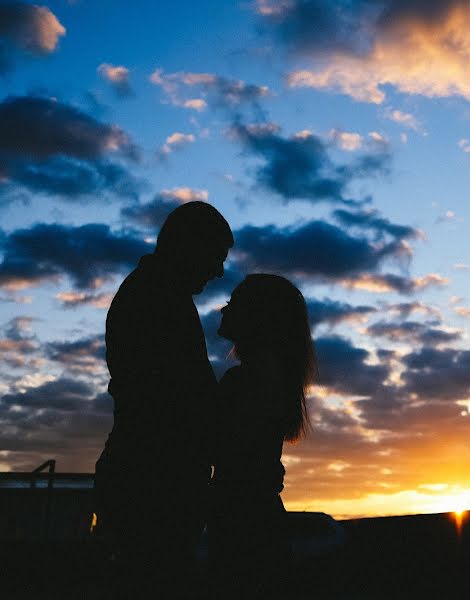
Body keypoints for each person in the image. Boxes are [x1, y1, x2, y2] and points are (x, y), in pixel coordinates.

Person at [94, 201, 233, 598]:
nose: (219, 271)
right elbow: (175, 398)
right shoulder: (156, 297)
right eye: (216, 257)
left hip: (149, 477)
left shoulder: (156, 293)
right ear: (189, 246)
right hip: (153, 483)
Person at [210, 274, 316, 597]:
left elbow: (218, 444)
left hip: (243, 523)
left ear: (258, 317)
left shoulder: (248, 381)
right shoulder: (272, 378)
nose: (223, 310)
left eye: (234, 303)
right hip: (256, 518)